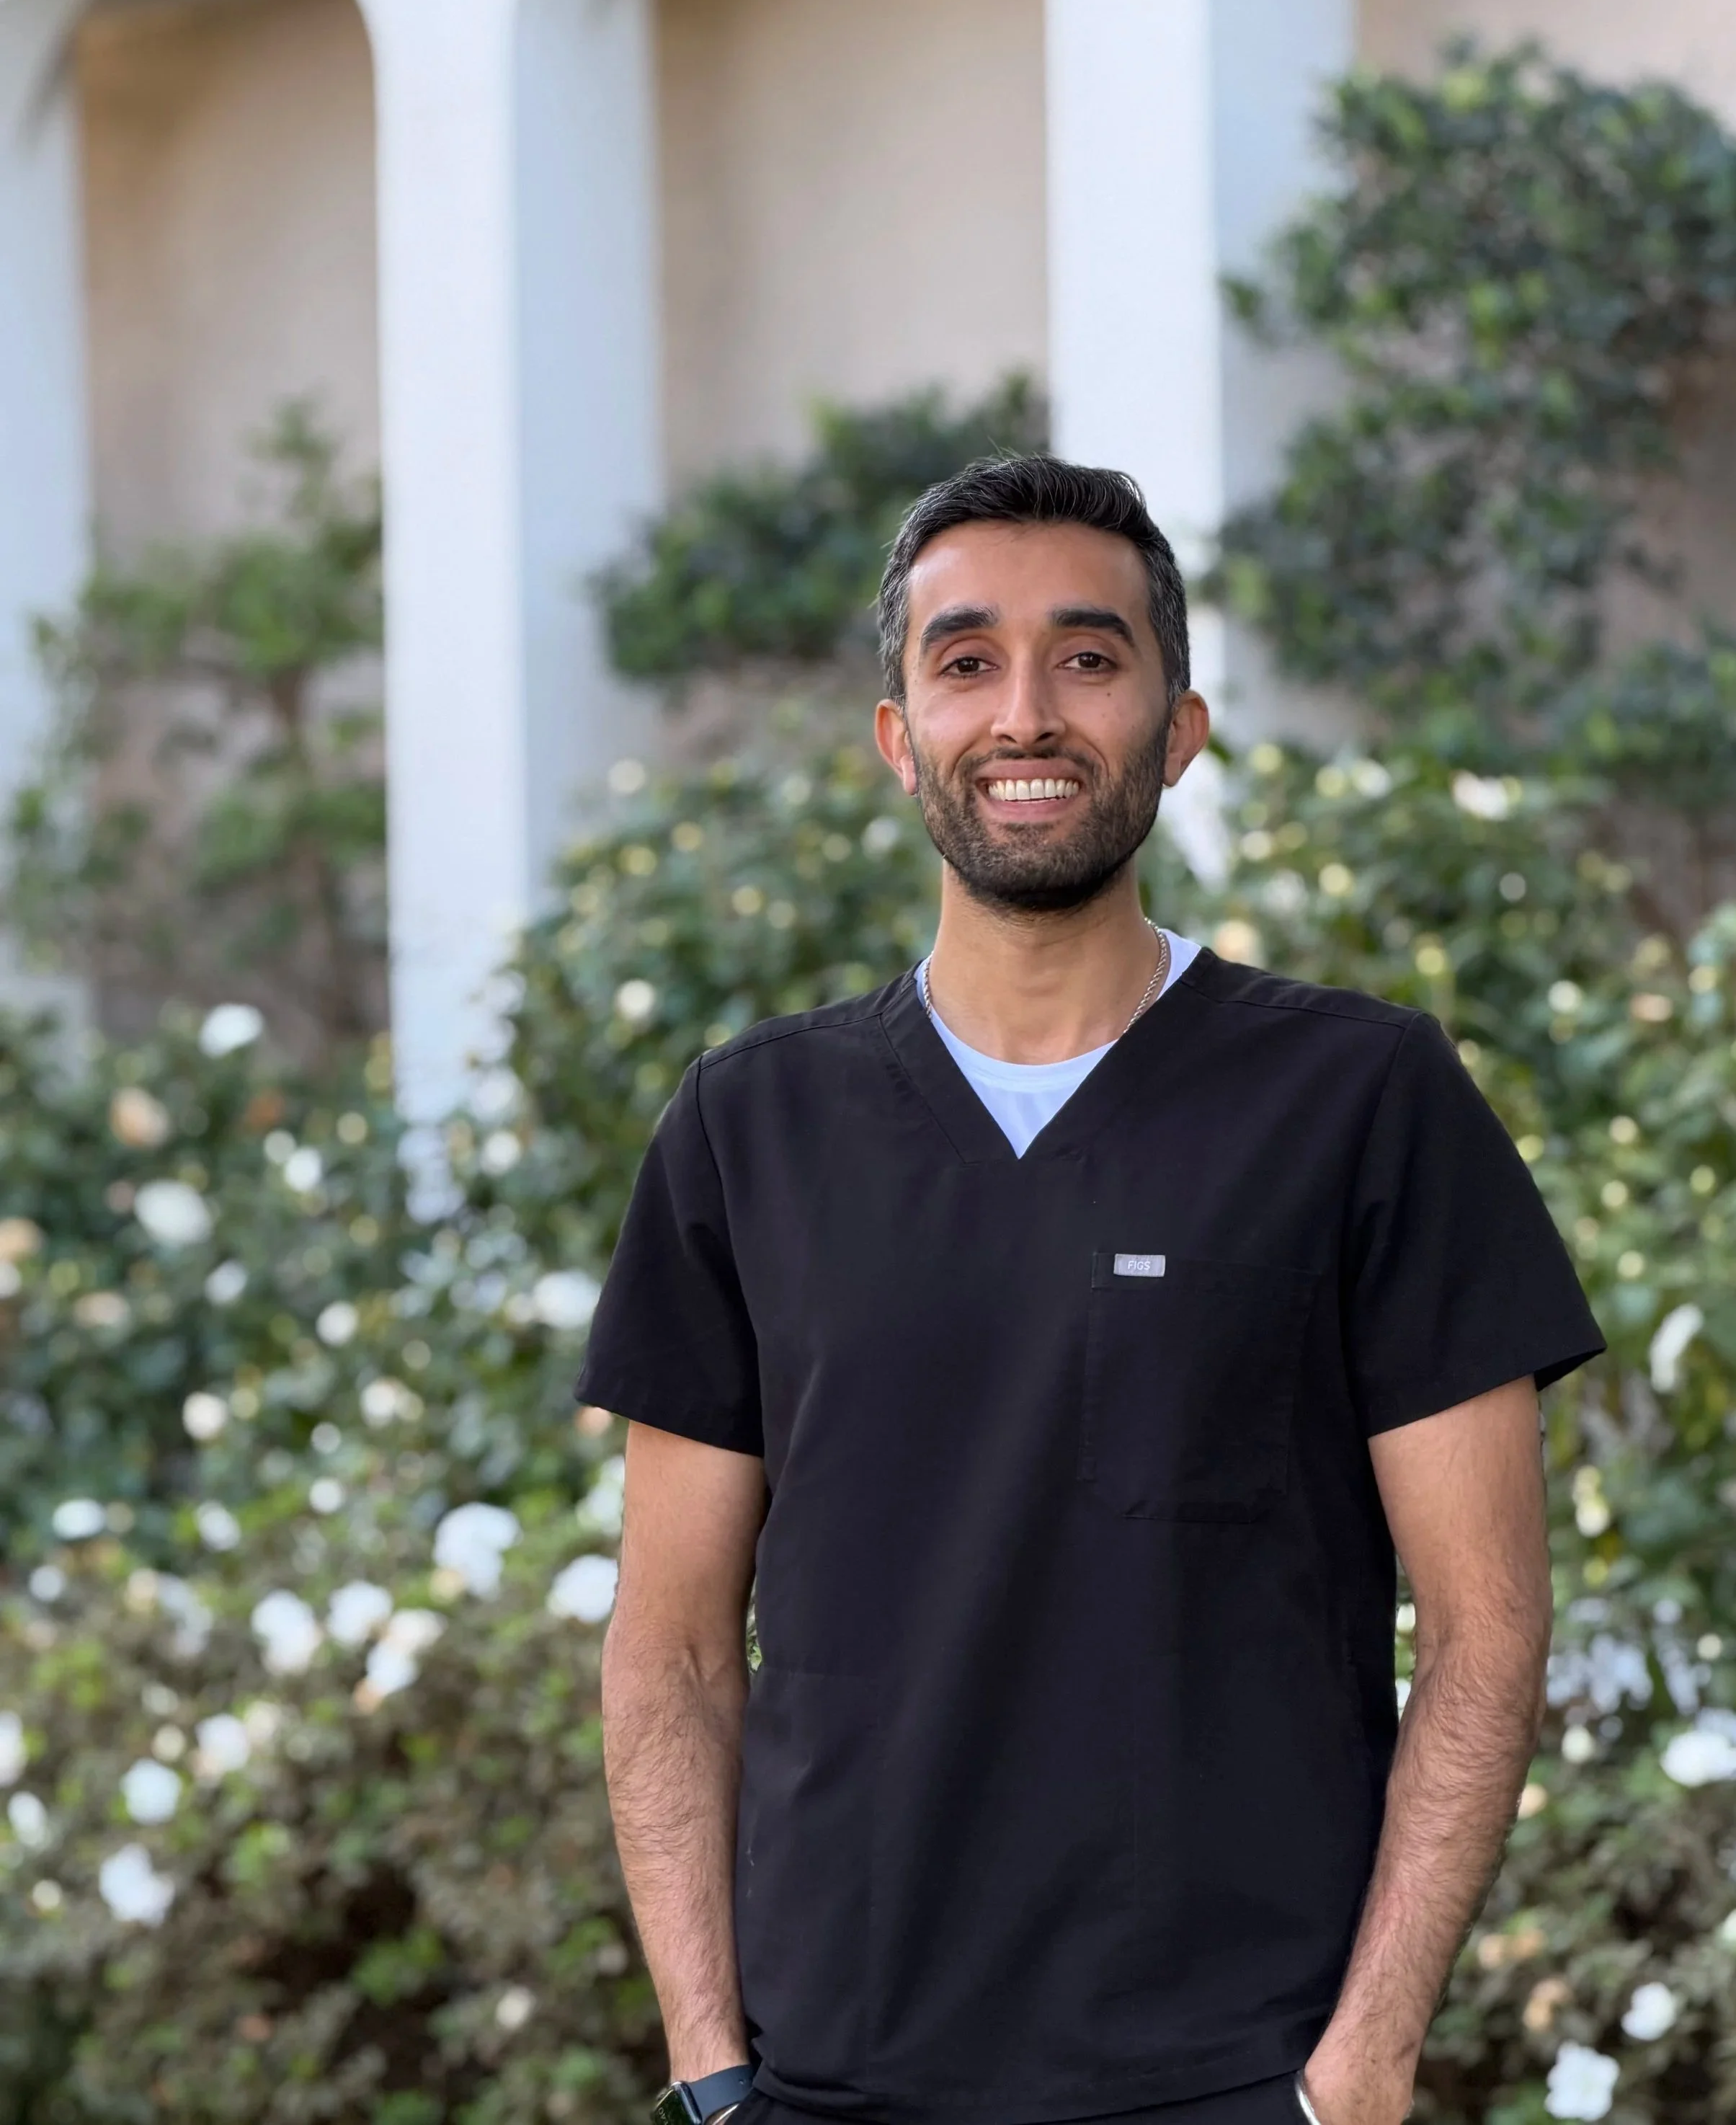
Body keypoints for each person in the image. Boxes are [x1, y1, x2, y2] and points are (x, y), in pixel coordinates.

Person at [577, 456, 1604, 2125]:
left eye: (1090, 655)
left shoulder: (1359, 1101)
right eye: (964, 661)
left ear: (1177, 729)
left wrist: (1358, 2069)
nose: (1027, 711)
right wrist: (710, 2071)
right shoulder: (749, 1126)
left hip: (1233, 2074)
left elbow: (1485, 1630)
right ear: (899, 738)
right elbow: (672, 1648)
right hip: (832, 2077)